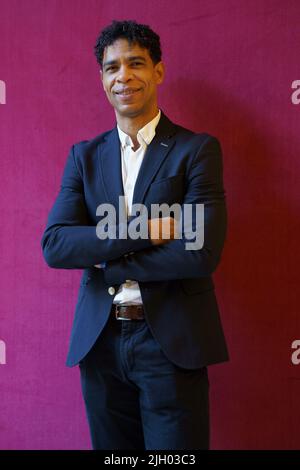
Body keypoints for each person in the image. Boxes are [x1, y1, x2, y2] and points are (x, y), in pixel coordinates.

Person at [41, 19, 229, 450]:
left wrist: (106, 257)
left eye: (135, 64)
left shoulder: (196, 150)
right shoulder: (83, 156)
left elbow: (200, 252)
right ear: (102, 79)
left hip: (170, 344)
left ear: (158, 71)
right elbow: (56, 245)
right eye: (111, 68)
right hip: (100, 342)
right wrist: (144, 229)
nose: (123, 76)